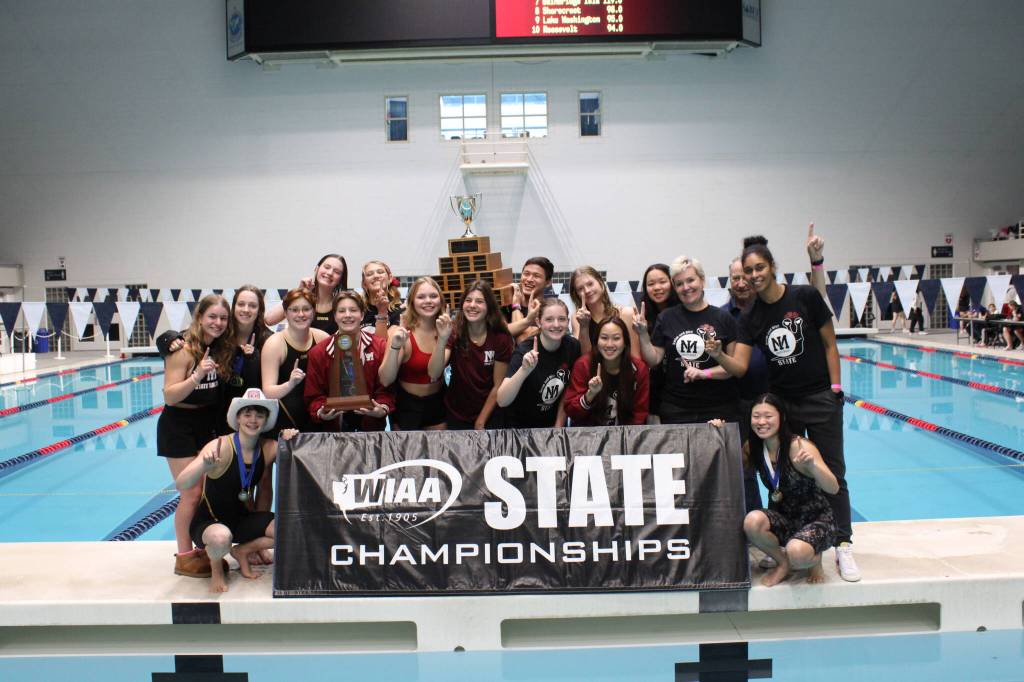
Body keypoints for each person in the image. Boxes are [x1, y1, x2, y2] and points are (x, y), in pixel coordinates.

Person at [720, 235, 860, 582]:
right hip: (784, 401)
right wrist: (714, 355)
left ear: (772, 267)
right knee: (785, 473)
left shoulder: (804, 297)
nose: (753, 275)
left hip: (819, 397)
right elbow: (737, 366)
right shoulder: (750, 316)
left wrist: (836, 389)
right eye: (748, 270)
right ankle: (794, 540)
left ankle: (842, 543)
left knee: (833, 472)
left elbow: (829, 343)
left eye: (759, 268)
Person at [175, 388, 295, 593]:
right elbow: (182, 482)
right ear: (238, 417)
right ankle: (217, 571)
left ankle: (242, 551)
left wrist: (291, 437)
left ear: (266, 420)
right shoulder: (220, 446)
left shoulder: (269, 447)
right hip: (210, 522)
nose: (253, 420)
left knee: (290, 529)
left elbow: (299, 452)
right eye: (247, 414)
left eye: (259, 415)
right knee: (221, 538)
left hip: (241, 520)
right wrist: (203, 466)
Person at [157, 294, 234, 578]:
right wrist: (196, 376)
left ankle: (199, 550)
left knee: (202, 493)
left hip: (205, 424)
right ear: (199, 317)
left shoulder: (218, 348)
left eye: (223, 318)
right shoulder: (184, 350)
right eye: (212, 316)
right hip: (179, 426)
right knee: (190, 492)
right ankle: (185, 555)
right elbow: (169, 395)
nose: (218, 323)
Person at [736, 394, 839, 586]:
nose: (761, 422)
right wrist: (716, 430)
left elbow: (833, 488)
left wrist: (813, 467)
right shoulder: (753, 447)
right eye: (756, 416)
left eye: (768, 416)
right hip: (783, 519)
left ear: (781, 417)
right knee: (752, 522)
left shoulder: (798, 447)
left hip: (816, 520)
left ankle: (814, 559)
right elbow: (729, 465)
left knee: (798, 553)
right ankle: (783, 564)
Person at [633, 255, 739, 424]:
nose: (686, 287)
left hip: (718, 407)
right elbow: (654, 360)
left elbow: (733, 368)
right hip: (676, 408)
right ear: (675, 287)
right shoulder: (666, 318)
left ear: (702, 280)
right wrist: (643, 334)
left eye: (691, 280)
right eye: (680, 283)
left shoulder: (724, 318)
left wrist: (704, 373)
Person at [304, 291, 395, 432]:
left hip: (371, 430)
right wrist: (322, 412)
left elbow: (386, 390)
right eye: (341, 311)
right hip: (333, 431)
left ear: (362, 315)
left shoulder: (380, 347)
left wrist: (381, 408)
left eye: (353, 310)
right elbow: (314, 395)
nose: (347, 315)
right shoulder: (318, 353)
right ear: (334, 316)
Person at [432, 280, 514, 430]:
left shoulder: (500, 337)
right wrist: (442, 339)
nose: (472, 305)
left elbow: (498, 386)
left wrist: (481, 421)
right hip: (457, 413)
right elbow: (434, 373)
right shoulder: (454, 332)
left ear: (489, 306)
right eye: (468, 300)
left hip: (490, 413)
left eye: (480, 301)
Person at [497, 297, 581, 428]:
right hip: (518, 427)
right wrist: (523, 371)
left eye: (562, 319)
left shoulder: (572, 347)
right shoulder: (524, 351)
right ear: (538, 322)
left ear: (568, 322)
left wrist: (558, 426)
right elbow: (502, 400)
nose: (556, 324)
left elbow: (567, 390)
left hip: (549, 426)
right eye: (549, 319)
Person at [379, 277, 447, 430]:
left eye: (433, 296)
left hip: (438, 403)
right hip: (407, 406)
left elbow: (435, 373)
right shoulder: (400, 332)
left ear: (441, 300)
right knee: (407, 454)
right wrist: (395, 346)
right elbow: (385, 380)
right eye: (421, 297)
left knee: (438, 453)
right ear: (411, 302)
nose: (428, 301)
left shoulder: (446, 330)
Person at [260, 288, 329, 434]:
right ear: (285, 313)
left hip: (318, 418)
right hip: (286, 424)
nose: (301, 314)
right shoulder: (275, 344)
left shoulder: (323, 338)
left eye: (306, 309)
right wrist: (290, 384)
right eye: (294, 310)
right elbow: (267, 391)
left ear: (313, 312)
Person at [564, 317, 649, 426]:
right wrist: (590, 394)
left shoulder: (639, 369)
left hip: (626, 436)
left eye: (616, 338)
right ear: (597, 341)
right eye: (604, 338)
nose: (609, 344)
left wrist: (627, 439)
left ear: (625, 342)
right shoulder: (583, 365)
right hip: (588, 437)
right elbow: (572, 412)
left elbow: (640, 414)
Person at [638, 263, 680, 424]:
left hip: (679, 391)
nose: (657, 287)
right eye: (651, 284)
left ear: (672, 283)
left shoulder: (683, 312)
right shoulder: (641, 316)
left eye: (662, 282)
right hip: (652, 391)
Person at [265, 254, 348, 334]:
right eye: (326, 267)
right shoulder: (301, 298)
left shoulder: (342, 305)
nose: (330, 273)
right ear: (316, 269)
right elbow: (269, 320)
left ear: (340, 279)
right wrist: (299, 292)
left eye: (336, 272)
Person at [569, 265, 640, 359]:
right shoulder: (577, 318)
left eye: (590, 284)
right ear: (576, 294)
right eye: (580, 289)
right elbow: (584, 358)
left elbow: (635, 357)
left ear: (600, 282)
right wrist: (584, 326)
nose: (587, 290)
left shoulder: (626, 314)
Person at [507, 256, 555, 342]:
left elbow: (523, 341)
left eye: (536, 276)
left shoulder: (549, 310)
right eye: (526, 274)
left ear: (548, 283)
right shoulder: (505, 305)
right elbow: (500, 332)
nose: (529, 279)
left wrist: (516, 306)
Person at [360, 260, 403, 338]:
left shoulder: (401, 310)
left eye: (380, 272)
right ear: (364, 284)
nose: (376, 276)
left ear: (390, 278)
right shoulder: (358, 310)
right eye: (369, 274)